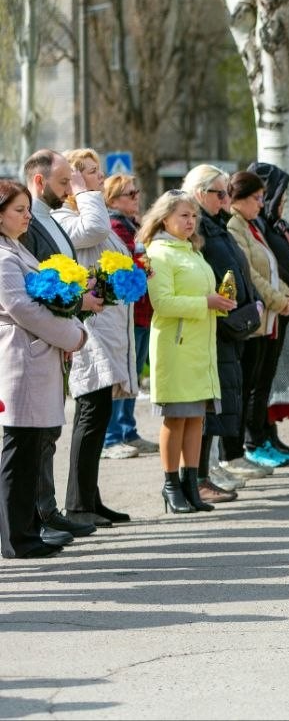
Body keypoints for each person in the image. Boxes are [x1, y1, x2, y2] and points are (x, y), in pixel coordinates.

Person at [0, 179, 88, 558]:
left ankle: (28, 529)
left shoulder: (15, 249)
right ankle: (16, 539)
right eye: (19, 211)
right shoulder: (3, 257)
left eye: (27, 210)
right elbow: (22, 309)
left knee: (32, 448)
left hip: (36, 355)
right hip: (21, 358)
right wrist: (73, 334)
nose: (26, 217)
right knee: (19, 449)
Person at [19, 150, 104, 543]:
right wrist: (74, 303)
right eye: (63, 182)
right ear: (39, 182)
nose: (69, 189)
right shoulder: (26, 224)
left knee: (51, 426)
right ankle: (40, 513)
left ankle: (47, 509)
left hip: (59, 336)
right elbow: (37, 289)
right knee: (37, 431)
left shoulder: (50, 218)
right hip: (37, 341)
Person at [54, 150, 140, 528]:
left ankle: (91, 498)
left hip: (108, 323)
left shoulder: (92, 211)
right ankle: (77, 503)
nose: (99, 178)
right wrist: (81, 190)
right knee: (90, 412)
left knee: (100, 412)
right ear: (72, 179)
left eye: (99, 172)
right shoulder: (65, 217)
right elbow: (94, 233)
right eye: (89, 172)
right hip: (89, 327)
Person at [141, 190, 234, 514]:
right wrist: (205, 303)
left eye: (193, 216)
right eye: (183, 215)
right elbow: (162, 303)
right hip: (176, 346)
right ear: (164, 218)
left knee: (196, 419)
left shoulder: (192, 250)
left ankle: (191, 483)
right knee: (176, 419)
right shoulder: (158, 252)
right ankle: (170, 485)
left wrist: (218, 303)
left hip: (199, 346)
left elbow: (201, 294)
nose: (190, 221)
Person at [184, 164, 262, 500]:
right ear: (200, 193)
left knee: (221, 400)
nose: (226, 199)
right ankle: (201, 474)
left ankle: (208, 470)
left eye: (228, 192)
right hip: (213, 324)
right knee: (210, 403)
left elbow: (239, 268)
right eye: (220, 193)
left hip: (230, 322)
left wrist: (253, 301)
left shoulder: (215, 224)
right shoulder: (198, 225)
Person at [226, 171, 289, 471]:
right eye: (256, 198)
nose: (260, 203)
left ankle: (259, 441)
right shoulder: (234, 226)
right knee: (250, 386)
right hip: (258, 315)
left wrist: (288, 293)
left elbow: (271, 267)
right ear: (238, 199)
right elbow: (250, 273)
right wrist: (278, 300)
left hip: (269, 317)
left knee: (262, 383)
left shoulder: (251, 225)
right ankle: (251, 444)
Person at [247, 162, 289, 452]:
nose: (280, 203)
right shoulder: (256, 225)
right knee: (259, 382)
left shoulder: (273, 224)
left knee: (267, 381)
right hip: (271, 308)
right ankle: (256, 439)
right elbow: (267, 268)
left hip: (285, 306)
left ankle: (267, 435)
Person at [102, 174, 160, 461]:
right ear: (111, 200)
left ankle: (128, 431)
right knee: (122, 376)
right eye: (129, 194)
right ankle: (112, 436)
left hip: (142, 311)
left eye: (137, 192)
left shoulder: (132, 224)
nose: (136, 197)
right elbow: (131, 266)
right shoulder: (114, 227)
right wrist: (147, 265)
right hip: (129, 311)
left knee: (133, 375)